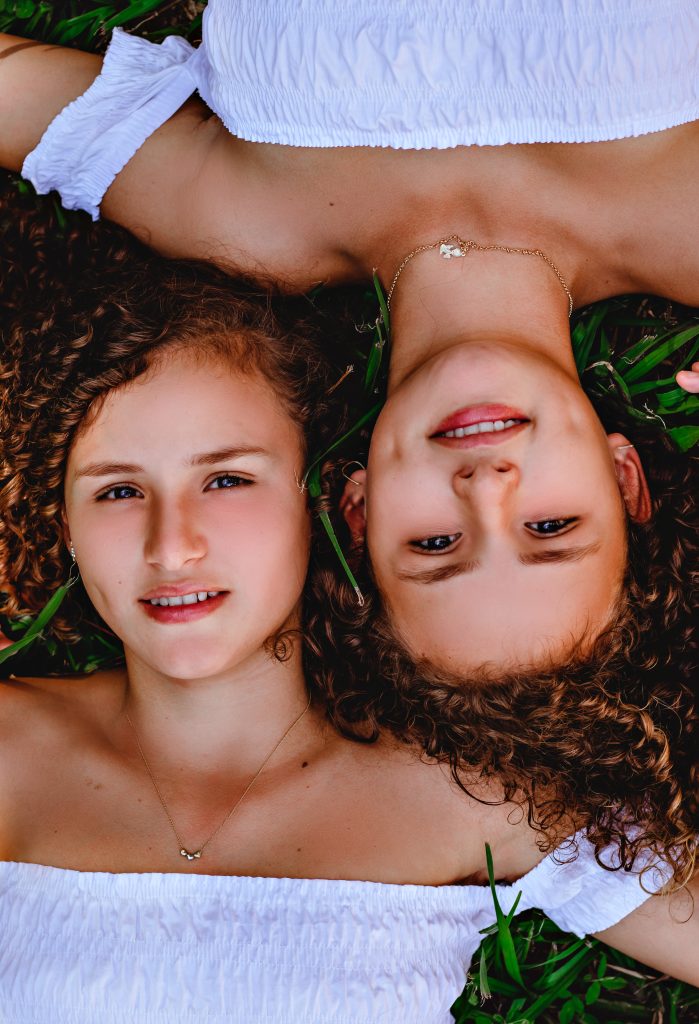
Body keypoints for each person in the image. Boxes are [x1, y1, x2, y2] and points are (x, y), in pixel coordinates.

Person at [0, 210, 697, 1022]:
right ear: (65, 526)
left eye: (228, 481)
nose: (173, 547)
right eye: (118, 491)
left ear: (323, 505)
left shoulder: (484, 802)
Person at [1, 4, 697, 683]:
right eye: (550, 526)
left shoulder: (244, 225)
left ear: (360, 509)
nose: (485, 487)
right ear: (623, 478)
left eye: (435, 543)